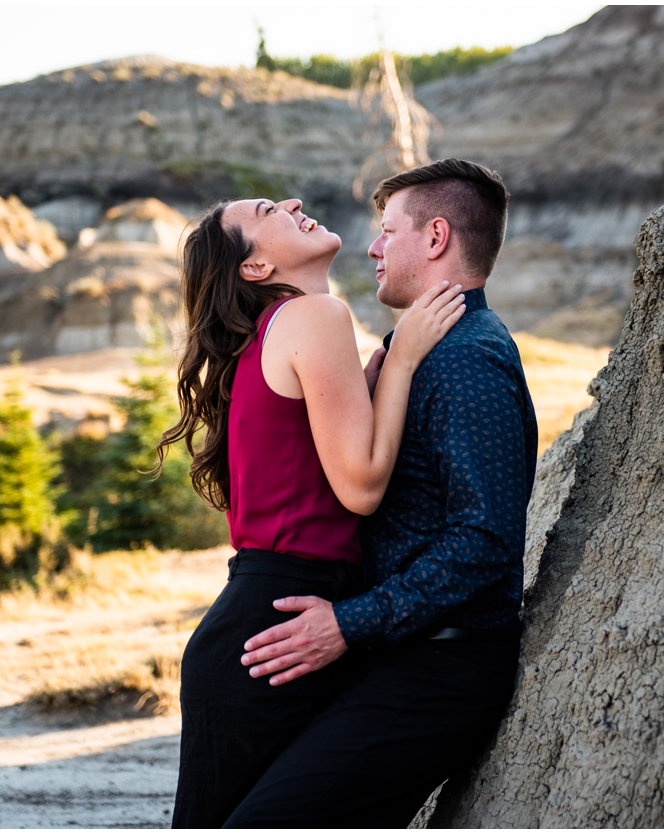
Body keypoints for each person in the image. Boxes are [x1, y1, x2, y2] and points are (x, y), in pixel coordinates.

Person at [224, 159, 539, 826]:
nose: (371, 246)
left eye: (387, 230)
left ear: (435, 238)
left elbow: (485, 541)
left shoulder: (467, 359)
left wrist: (348, 623)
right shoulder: (415, 353)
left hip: (440, 672)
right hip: (392, 657)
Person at [163, 191, 466, 827]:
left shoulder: (271, 335)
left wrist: (376, 370)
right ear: (254, 268)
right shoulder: (314, 316)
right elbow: (359, 487)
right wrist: (404, 356)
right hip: (279, 630)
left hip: (259, 623)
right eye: (266, 211)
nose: (293, 202)